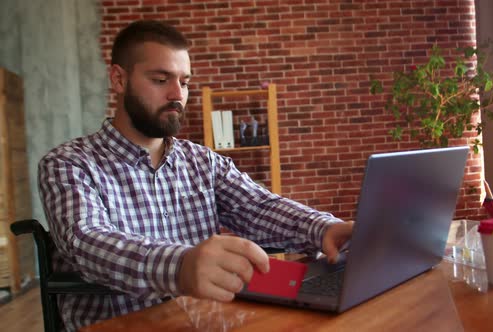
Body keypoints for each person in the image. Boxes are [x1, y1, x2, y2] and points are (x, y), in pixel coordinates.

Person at [37, 20, 353, 331]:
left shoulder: (201, 161)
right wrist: (180, 267)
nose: (177, 94)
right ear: (119, 79)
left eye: (184, 82)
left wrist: (323, 228)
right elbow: (86, 241)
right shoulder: (69, 163)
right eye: (161, 80)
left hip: (204, 321)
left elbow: (257, 206)